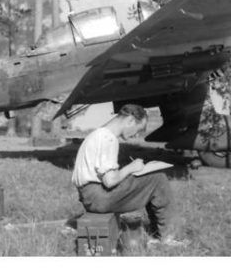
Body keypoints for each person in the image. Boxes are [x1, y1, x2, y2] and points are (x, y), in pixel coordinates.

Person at [71, 104, 179, 244]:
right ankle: (167, 237)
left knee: (150, 181)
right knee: (158, 178)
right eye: (138, 129)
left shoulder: (96, 134)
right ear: (130, 121)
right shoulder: (108, 138)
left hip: (89, 196)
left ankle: (157, 232)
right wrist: (131, 168)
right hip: (99, 198)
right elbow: (109, 181)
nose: (136, 134)